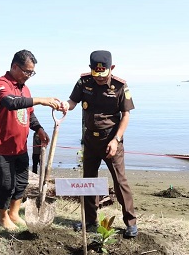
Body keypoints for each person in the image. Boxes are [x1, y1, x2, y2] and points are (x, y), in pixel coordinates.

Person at [59, 50, 138, 237]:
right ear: (91, 69)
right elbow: (72, 101)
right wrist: (65, 105)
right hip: (90, 141)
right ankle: (90, 221)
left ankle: (130, 223)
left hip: (111, 141)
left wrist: (116, 140)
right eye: (96, 74)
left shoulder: (120, 86)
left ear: (112, 68)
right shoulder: (84, 82)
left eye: (104, 74)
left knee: (120, 182)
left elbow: (126, 115)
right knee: (89, 181)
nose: (100, 78)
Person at [0, 49, 60, 231]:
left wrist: (39, 129)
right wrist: (40, 100)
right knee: (7, 184)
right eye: (27, 71)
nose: (29, 76)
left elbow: (28, 113)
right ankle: (2, 217)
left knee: (22, 182)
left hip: (20, 146)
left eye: (32, 72)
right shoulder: (0, 84)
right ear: (15, 67)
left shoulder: (25, 88)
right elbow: (11, 103)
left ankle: (14, 213)